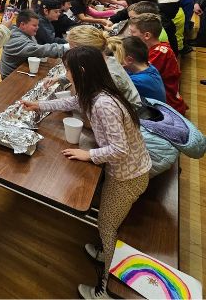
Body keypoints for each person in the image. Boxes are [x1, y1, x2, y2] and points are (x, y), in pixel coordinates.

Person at [22, 46, 151, 299]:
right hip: (125, 170)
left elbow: (120, 149)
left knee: (107, 224)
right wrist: (38, 105)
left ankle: (105, 290)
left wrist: (88, 154)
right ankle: (105, 252)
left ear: (80, 71)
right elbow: (70, 101)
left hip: (129, 176)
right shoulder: (94, 92)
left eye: (67, 69)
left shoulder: (103, 104)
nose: (65, 73)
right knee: (105, 218)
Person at [66, 25, 142, 111]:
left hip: (130, 114)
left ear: (84, 52)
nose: (70, 53)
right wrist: (61, 78)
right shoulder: (106, 60)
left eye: (71, 49)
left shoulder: (108, 75)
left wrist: (74, 80)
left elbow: (88, 106)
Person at [128, 14, 187, 115]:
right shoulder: (157, 48)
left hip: (167, 106)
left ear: (147, 35)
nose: (130, 35)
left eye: (133, 32)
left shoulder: (159, 53)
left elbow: (134, 75)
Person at [0, 9, 67, 78]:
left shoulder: (27, 33)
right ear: (23, 25)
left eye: (37, 25)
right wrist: (65, 48)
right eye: (34, 25)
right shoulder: (16, 40)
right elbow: (38, 49)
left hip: (21, 69)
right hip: (10, 76)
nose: (38, 27)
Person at [121, 36, 166, 103]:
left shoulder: (137, 81)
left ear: (129, 60)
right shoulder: (149, 66)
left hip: (154, 112)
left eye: (118, 55)